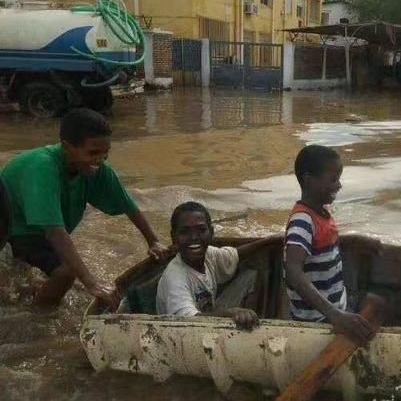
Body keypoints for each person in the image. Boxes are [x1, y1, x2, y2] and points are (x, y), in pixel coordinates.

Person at [0, 109, 170, 310]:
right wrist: (92, 283)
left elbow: (127, 204)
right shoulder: (43, 169)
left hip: (39, 227)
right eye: (93, 153)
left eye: (106, 152)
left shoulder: (94, 168)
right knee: (65, 272)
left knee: (46, 272)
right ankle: (36, 317)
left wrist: (153, 241)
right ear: (67, 147)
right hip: (14, 226)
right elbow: (54, 232)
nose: (101, 159)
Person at [284, 145, 381, 346]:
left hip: (337, 305)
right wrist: (335, 315)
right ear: (309, 180)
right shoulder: (302, 221)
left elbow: (323, 245)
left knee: (380, 302)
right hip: (318, 320)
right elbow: (293, 271)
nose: (339, 186)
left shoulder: (321, 213)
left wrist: (353, 240)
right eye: (333, 179)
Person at [156, 201, 278, 330]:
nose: (194, 237)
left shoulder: (209, 254)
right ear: (173, 237)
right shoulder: (175, 278)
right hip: (186, 331)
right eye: (184, 232)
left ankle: (251, 324)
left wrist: (272, 239)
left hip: (209, 311)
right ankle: (246, 328)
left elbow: (236, 254)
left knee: (251, 276)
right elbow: (189, 322)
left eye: (201, 230)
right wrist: (229, 313)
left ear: (211, 232)